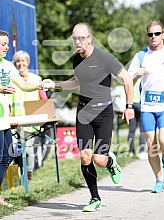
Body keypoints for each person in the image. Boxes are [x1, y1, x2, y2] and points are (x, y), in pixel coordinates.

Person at [43, 23, 134, 211]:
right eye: (74, 38)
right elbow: (76, 82)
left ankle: (110, 161)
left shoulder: (104, 58)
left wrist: (129, 105)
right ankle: (94, 198)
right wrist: (55, 85)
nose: (77, 41)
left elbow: (127, 78)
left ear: (89, 39)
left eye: (80, 38)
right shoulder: (76, 60)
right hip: (84, 112)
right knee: (85, 157)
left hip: (103, 112)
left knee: (99, 160)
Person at [0, 30, 43, 207]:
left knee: (8, 157)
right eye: (3, 44)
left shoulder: (8, 66)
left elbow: (24, 85)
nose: (7, 46)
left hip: (4, 121)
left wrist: (41, 84)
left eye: (7, 43)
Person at [128, 20, 164, 193]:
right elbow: (128, 81)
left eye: (157, 33)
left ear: (163, 35)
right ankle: (159, 180)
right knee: (151, 144)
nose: (153, 37)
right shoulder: (140, 56)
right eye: (150, 34)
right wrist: (137, 74)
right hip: (147, 107)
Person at [10, 50, 48, 180]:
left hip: (32, 118)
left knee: (29, 147)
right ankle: (17, 175)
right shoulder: (12, 80)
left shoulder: (36, 79)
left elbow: (43, 98)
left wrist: (47, 114)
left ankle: (28, 172)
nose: (20, 63)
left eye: (23, 61)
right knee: (17, 147)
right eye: (18, 61)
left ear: (28, 62)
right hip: (16, 119)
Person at [127, 79, 146, 158]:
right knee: (142, 129)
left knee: (132, 129)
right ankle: (141, 151)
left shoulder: (131, 77)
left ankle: (131, 151)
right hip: (140, 103)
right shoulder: (144, 78)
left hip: (131, 104)